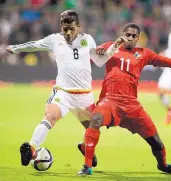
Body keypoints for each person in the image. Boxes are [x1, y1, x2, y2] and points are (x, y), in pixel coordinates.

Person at [77, 23, 171, 176]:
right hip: (110, 101)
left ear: (138, 38)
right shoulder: (110, 46)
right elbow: (90, 58)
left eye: (133, 36)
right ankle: (87, 166)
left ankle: (163, 165)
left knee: (156, 142)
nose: (130, 38)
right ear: (122, 34)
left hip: (132, 106)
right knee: (95, 119)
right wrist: (95, 52)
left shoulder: (144, 54)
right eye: (127, 34)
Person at [6, 10, 118, 168]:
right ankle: (30, 149)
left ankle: (85, 148)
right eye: (65, 28)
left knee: (94, 129)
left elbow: (99, 61)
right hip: (63, 93)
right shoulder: (54, 40)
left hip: (84, 96)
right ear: (61, 27)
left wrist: (111, 50)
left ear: (79, 26)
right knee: (50, 116)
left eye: (72, 28)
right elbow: (35, 45)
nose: (68, 32)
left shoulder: (88, 39)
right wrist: (15, 48)